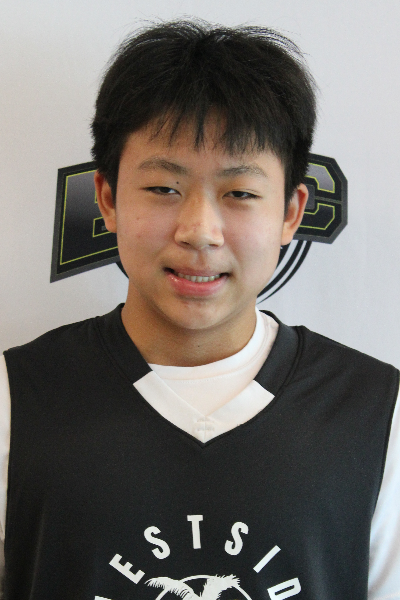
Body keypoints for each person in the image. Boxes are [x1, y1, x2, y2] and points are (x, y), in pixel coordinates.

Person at [1, 19, 399, 600]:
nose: (200, 231)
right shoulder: (15, 399)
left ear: (291, 212)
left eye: (240, 193)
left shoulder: (376, 414)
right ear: (107, 199)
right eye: (164, 188)